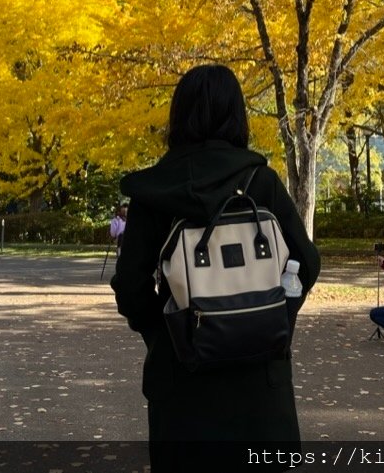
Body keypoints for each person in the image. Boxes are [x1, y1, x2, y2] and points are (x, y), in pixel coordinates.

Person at [111, 64, 321, 473]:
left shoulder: (154, 191)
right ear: (237, 114)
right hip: (260, 383)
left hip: (181, 384)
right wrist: (269, 315)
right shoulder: (261, 181)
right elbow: (307, 262)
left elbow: (131, 286)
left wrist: (169, 332)